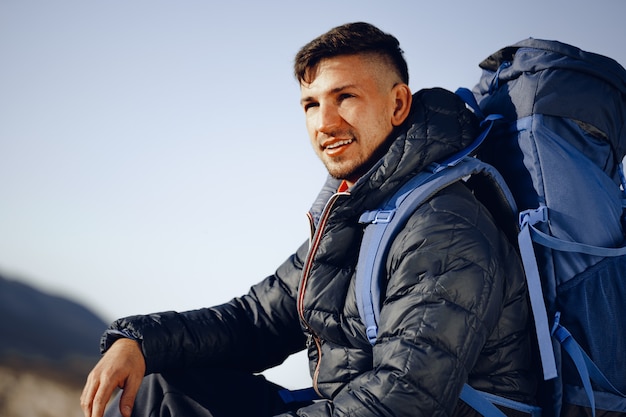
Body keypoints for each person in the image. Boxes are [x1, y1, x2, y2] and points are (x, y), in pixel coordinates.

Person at [81, 22, 535, 417]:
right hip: (347, 404)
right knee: (166, 387)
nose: (325, 122)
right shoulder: (361, 214)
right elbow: (255, 321)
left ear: (398, 105)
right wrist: (139, 342)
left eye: (346, 97)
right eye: (311, 104)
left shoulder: (443, 227)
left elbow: (403, 400)